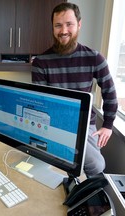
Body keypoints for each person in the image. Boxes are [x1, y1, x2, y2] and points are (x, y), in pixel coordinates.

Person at [31, 2, 118, 177]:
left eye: (69, 24)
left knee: (97, 165)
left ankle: (83, 196)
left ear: (79, 24)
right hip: (55, 125)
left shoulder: (94, 58)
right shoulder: (41, 62)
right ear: (53, 28)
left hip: (85, 124)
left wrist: (108, 125)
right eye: (58, 25)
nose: (63, 31)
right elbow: (41, 102)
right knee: (50, 166)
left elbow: (109, 93)